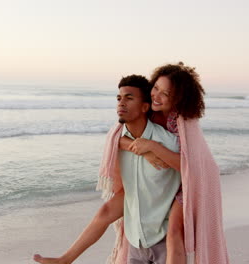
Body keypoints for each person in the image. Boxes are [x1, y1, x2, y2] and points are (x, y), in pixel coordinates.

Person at [34, 63, 230, 264]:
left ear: (178, 98)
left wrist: (154, 148)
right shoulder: (138, 121)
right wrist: (142, 150)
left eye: (166, 94)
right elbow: (116, 136)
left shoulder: (181, 124)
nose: (157, 96)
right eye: (156, 88)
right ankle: (66, 259)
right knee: (105, 211)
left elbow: (193, 165)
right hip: (153, 185)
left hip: (189, 184)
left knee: (174, 233)